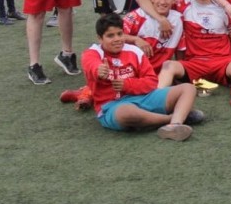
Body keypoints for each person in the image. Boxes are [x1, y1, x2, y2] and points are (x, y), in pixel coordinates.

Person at [82, 13, 204, 141]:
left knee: (188, 88)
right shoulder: (92, 53)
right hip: (112, 106)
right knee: (127, 113)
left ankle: (175, 124)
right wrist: (99, 70)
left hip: (143, 98)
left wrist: (127, 85)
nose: (117, 39)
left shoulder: (134, 51)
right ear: (100, 38)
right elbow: (92, 65)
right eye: (110, 36)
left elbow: (151, 82)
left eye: (120, 34)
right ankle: (171, 120)